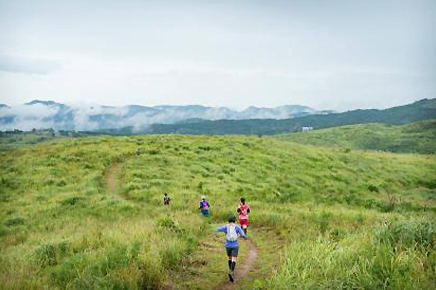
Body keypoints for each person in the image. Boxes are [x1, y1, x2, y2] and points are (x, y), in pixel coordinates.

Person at [216, 215, 247, 283]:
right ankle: (231, 272)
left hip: (228, 246)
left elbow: (218, 229)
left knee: (230, 258)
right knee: (234, 259)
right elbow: (242, 234)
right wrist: (244, 236)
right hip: (235, 245)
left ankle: (230, 270)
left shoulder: (226, 227)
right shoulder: (237, 227)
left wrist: (216, 229)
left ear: (228, 221)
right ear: (235, 221)